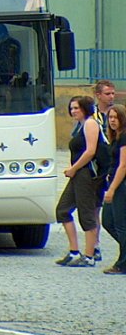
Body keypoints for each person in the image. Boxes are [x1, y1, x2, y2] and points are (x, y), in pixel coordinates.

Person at [55, 95, 105, 267]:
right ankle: (74, 251)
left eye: (76, 108)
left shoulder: (91, 123)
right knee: (63, 210)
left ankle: (90, 255)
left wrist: (74, 168)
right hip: (77, 174)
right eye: (71, 108)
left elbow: (90, 151)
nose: (73, 111)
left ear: (85, 108)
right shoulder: (79, 126)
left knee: (87, 214)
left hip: (86, 174)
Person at [101, 104, 126, 274]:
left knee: (120, 225)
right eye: (110, 117)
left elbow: (123, 165)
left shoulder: (124, 137)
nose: (112, 121)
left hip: (121, 185)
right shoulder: (115, 137)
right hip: (113, 183)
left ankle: (122, 263)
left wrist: (112, 189)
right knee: (108, 221)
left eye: (116, 117)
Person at [93, 80, 116, 260]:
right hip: (99, 165)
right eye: (107, 94)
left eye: (112, 93)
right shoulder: (91, 116)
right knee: (95, 207)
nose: (111, 97)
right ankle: (95, 244)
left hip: (116, 163)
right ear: (98, 95)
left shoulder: (118, 114)